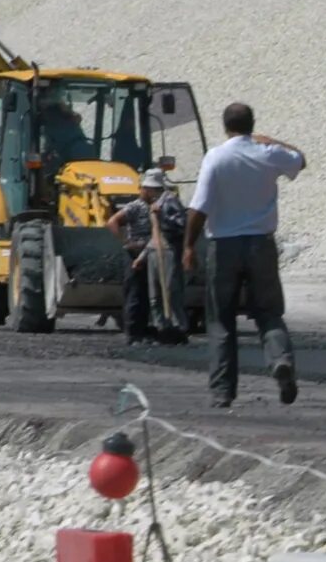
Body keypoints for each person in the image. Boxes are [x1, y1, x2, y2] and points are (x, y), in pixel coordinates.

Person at [183, 102, 306, 409]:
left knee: (221, 320)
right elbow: (300, 160)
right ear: (253, 125)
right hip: (260, 243)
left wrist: (188, 246)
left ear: (226, 126)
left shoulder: (216, 156)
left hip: (223, 245)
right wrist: (273, 141)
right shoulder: (266, 154)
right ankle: (281, 360)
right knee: (268, 312)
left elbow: (200, 207)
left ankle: (223, 391)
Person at [111, 168, 190, 346]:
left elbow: (177, 226)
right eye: (148, 188)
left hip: (159, 251)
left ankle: (165, 331)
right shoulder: (136, 206)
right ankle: (137, 333)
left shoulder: (167, 203)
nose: (149, 192)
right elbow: (113, 221)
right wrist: (129, 245)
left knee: (163, 293)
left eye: (153, 189)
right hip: (142, 251)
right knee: (141, 294)